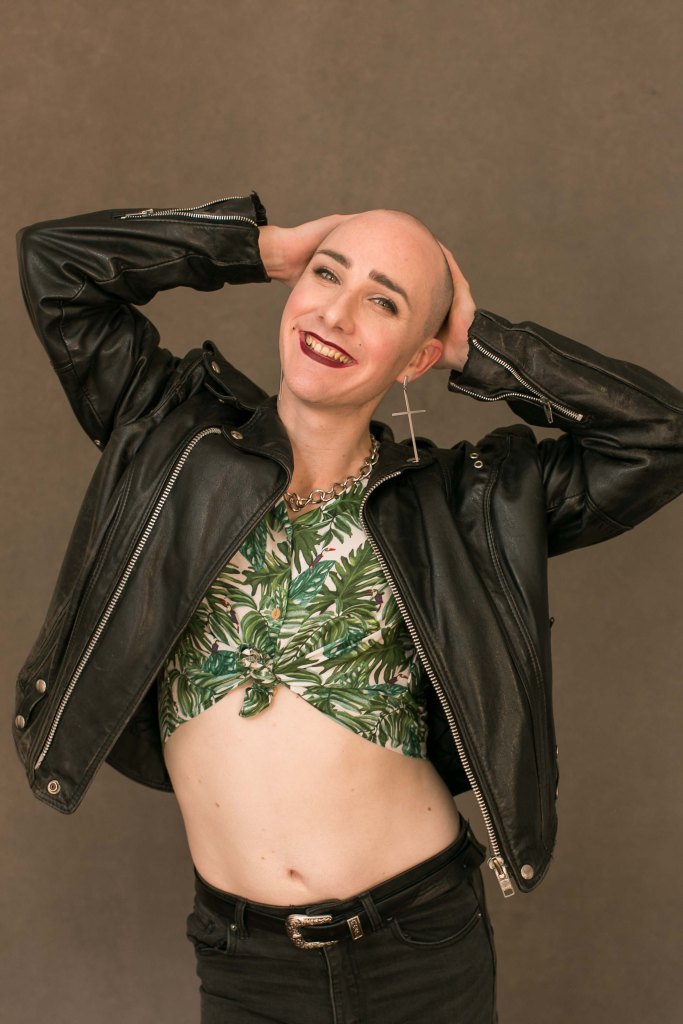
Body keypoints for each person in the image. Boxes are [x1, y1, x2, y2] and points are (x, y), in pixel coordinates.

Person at [13, 192, 683, 1024]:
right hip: (242, 958)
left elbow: (659, 436)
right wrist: (257, 246)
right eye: (327, 275)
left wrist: (476, 347)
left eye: (383, 303)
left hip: (419, 945)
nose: (336, 313)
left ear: (415, 357)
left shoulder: (459, 505)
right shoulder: (171, 436)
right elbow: (56, 265)